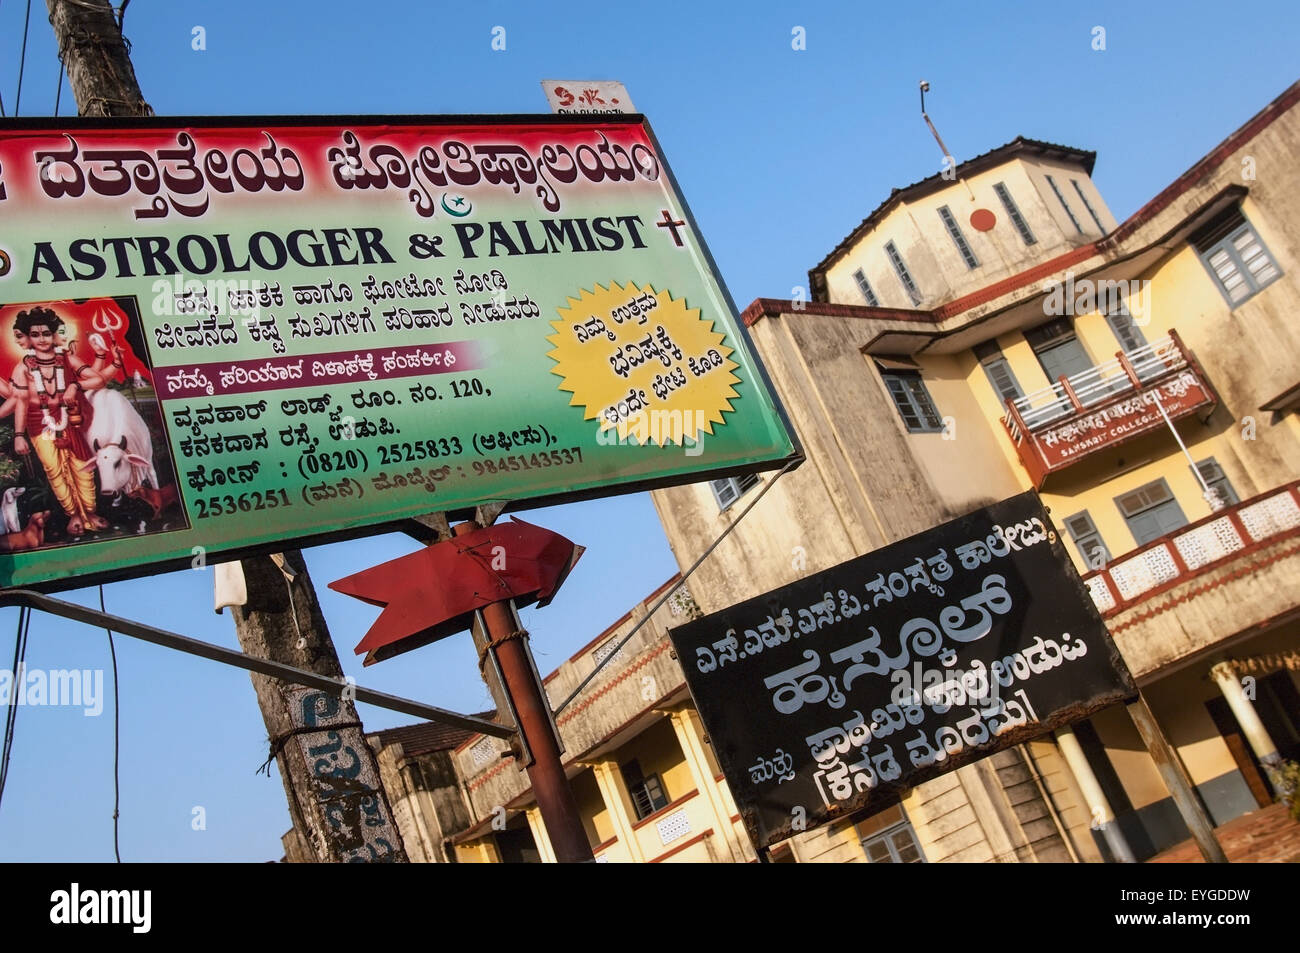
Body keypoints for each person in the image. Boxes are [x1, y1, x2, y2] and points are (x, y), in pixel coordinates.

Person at [10, 307, 111, 536]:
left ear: (54, 334)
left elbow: (97, 380)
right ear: (27, 337)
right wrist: (18, 436)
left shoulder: (66, 358)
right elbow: (21, 402)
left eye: (46, 333)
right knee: (55, 472)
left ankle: (90, 512)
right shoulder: (23, 367)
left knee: (82, 467)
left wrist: (75, 385)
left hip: (70, 421)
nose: (42, 339)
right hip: (39, 425)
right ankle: (73, 515)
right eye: (35, 334)